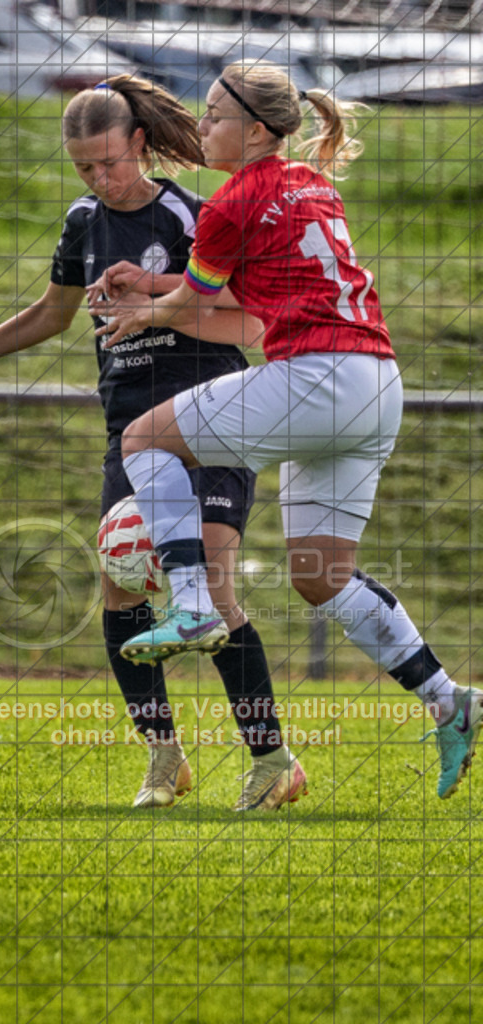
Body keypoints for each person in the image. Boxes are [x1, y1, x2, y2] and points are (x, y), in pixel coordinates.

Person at [0, 74, 305, 812]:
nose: (99, 177)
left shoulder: (192, 215)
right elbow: (50, 315)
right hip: (130, 428)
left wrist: (155, 304)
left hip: (209, 416)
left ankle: (272, 759)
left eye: (110, 162)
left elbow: (251, 320)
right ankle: (164, 757)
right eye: (83, 166)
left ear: (141, 144)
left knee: (212, 586)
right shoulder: (83, 222)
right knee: (122, 585)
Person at [93, 61, 482, 802]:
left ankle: (191, 604)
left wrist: (146, 309)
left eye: (215, 114)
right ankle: (448, 699)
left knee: (144, 440)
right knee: (320, 574)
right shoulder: (309, 183)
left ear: (255, 131)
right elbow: (241, 287)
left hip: (317, 377)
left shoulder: (233, 198)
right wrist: (153, 288)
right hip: (376, 386)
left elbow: (195, 303)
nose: (204, 126)